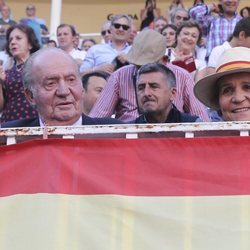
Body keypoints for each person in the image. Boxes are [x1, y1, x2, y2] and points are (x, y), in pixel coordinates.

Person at [89, 29, 209, 122]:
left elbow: (202, 123)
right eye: (138, 65)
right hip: (130, 144)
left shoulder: (182, 76)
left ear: (164, 59)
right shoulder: (119, 76)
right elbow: (96, 121)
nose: (142, 70)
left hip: (174, 143)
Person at [1, 48, 123, 128]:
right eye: (51, 83)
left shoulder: (116, 133)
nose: (64, 92)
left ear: (82, 88)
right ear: (31, 96)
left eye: (71, 80)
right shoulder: (9, 138)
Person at [194, 47, 250, 121]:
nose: (238, 98)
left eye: (248, 87)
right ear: (218, 101)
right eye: (227, 90)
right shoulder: (197, 131)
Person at [0, 24, 40, 124]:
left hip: (36, 123)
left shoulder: (42, 68)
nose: (13, 42)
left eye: (18, 38)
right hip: (10, 124)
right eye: (10, 40)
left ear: (30, 44)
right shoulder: (6, 73)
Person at [134, 63, 200, 123]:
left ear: (172, 94)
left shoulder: (194, 127)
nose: (146, 93)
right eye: (141, 88)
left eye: (154, 87)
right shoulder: (127, 131)